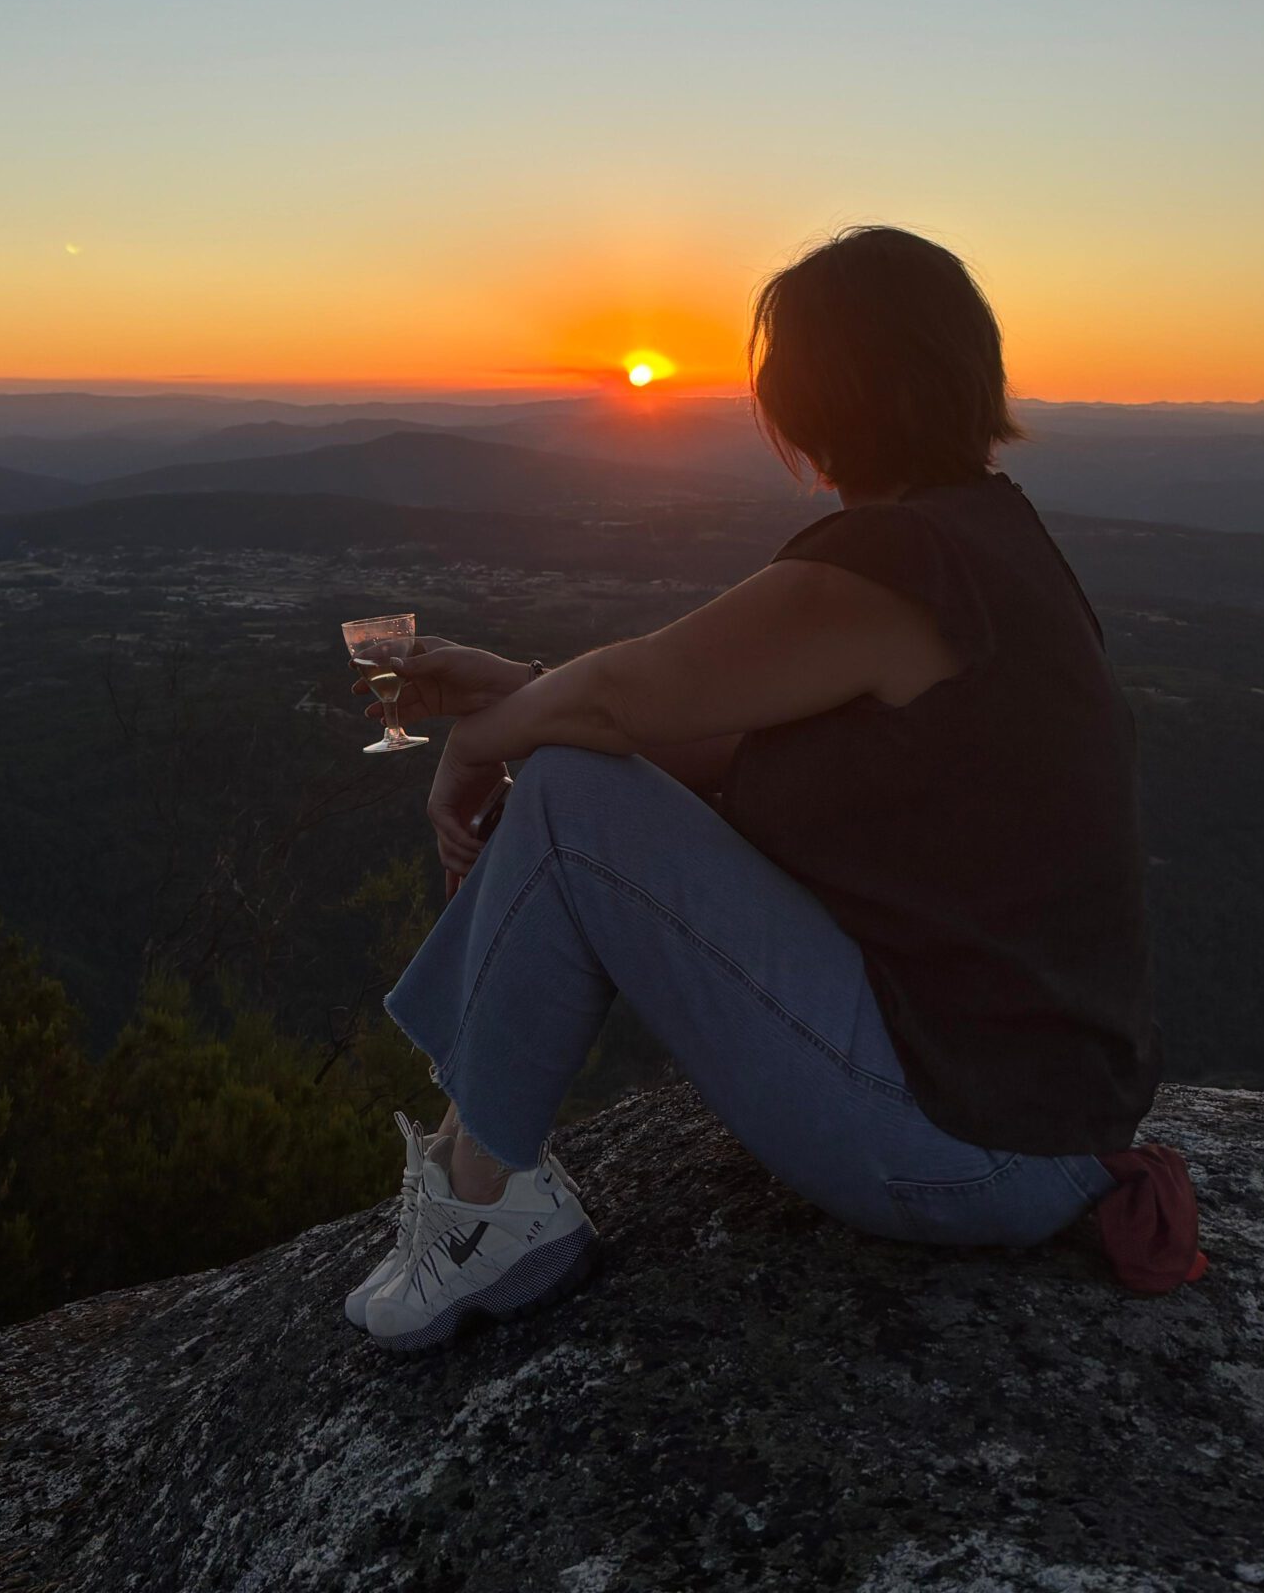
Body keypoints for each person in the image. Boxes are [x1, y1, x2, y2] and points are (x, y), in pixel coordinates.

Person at [346, 225, 1161, 1353]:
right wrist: (525, 696)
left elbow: (628, 697)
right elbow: (720, 743)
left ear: (813, 395)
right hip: (1023, 1120)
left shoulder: (900, 561)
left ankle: (486, 1210)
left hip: (972, 1146)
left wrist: (483, 737)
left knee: (575, 795)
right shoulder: (991, 542)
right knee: (577, 777)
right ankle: (465, 1167)